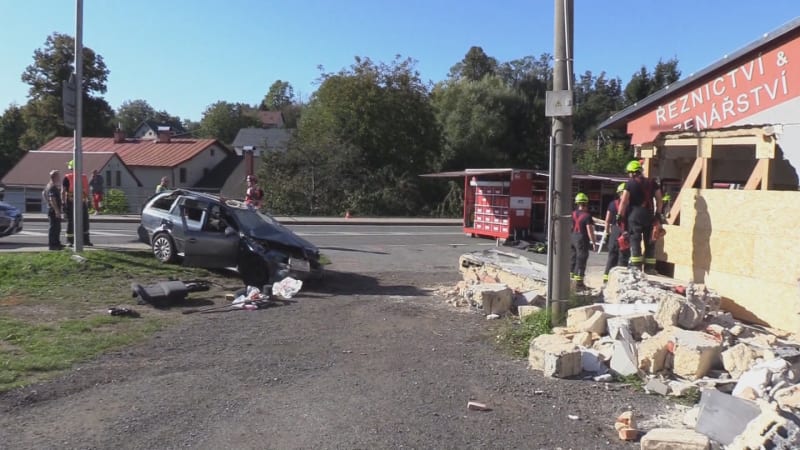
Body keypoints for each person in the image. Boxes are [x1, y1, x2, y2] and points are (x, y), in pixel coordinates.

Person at [618, 160, 663, 275]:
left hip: (635, 215)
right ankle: (649, 268)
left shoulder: (630, 184)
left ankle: (636, 266)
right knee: (650, 241)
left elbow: (624, 201)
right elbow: (659, 200)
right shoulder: (652, 182)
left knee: (635, 240)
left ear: (632, 172)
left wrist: (619, 215)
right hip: (649, 215)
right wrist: (658, 214)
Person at [62, 159, 93, 246]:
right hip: (82, 202)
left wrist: (63, 203)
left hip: (71, 202)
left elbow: (63, 192)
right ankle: (85, 240)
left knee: (71, 222)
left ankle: (70, 241)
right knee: (84, 221)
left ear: (71, 168)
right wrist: (89, 201)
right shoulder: (84, 177)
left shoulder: (67, 178)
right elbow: (87, 191)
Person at [602, 183, 627, 283]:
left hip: (614, 231)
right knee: (623, 256)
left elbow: (607, 220)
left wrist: (607, 233)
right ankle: (619, 281)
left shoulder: (612, 204)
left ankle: (606, 279)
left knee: (612, 256)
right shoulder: (629, 204)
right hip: (625, 231)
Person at [570, 192, 596, 289]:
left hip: (572, 237)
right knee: (581, 260)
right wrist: (594, 242)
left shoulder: (572, 214)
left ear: (577, 203)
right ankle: (579, 284)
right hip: (582, 239)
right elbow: (590, 230)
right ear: (586, 203)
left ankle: (570, 281)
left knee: (573, 259)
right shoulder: (587, 216)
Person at [45, 169, 65, 250]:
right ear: (55, 177)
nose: (59, 177)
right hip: (53, 211)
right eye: (58, 176)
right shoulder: (52, 186)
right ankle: (53, 245)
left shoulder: (49, 185)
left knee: (57, 227)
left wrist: (47, 203)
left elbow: (43, 194)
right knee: (54, 228)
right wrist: (56, 210)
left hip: (53, 209)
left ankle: (57, 243)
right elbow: (52, 199)